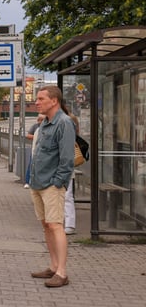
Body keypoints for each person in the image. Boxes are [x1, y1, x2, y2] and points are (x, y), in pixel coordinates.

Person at [28, 85, 75, 288]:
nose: (36, 102)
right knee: (46, 225)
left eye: (41, 99)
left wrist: (57, 183)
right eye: (37, 99)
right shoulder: (45, 123)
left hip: (51, 185)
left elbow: (67, 159)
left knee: (56, 225)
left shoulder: (64, 123)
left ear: (54, 101)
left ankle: (62, 273)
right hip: (38, 183)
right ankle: (53, 266)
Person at [60, 100, 80, 235]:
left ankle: (69, 224)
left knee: (67, 195)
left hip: (65, 163)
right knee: (63, 195)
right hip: (59, 163)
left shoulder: (68, 120)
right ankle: (64, 223)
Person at [24, 114, 45, 188]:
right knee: (31, 165)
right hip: (35, 149)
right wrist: (37, 137)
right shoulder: (35, 126)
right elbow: (28, 135)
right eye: (39, 119)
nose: (40, 121)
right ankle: (28, 181)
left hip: (44, 150)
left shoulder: (47, 126)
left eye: (42, 120)